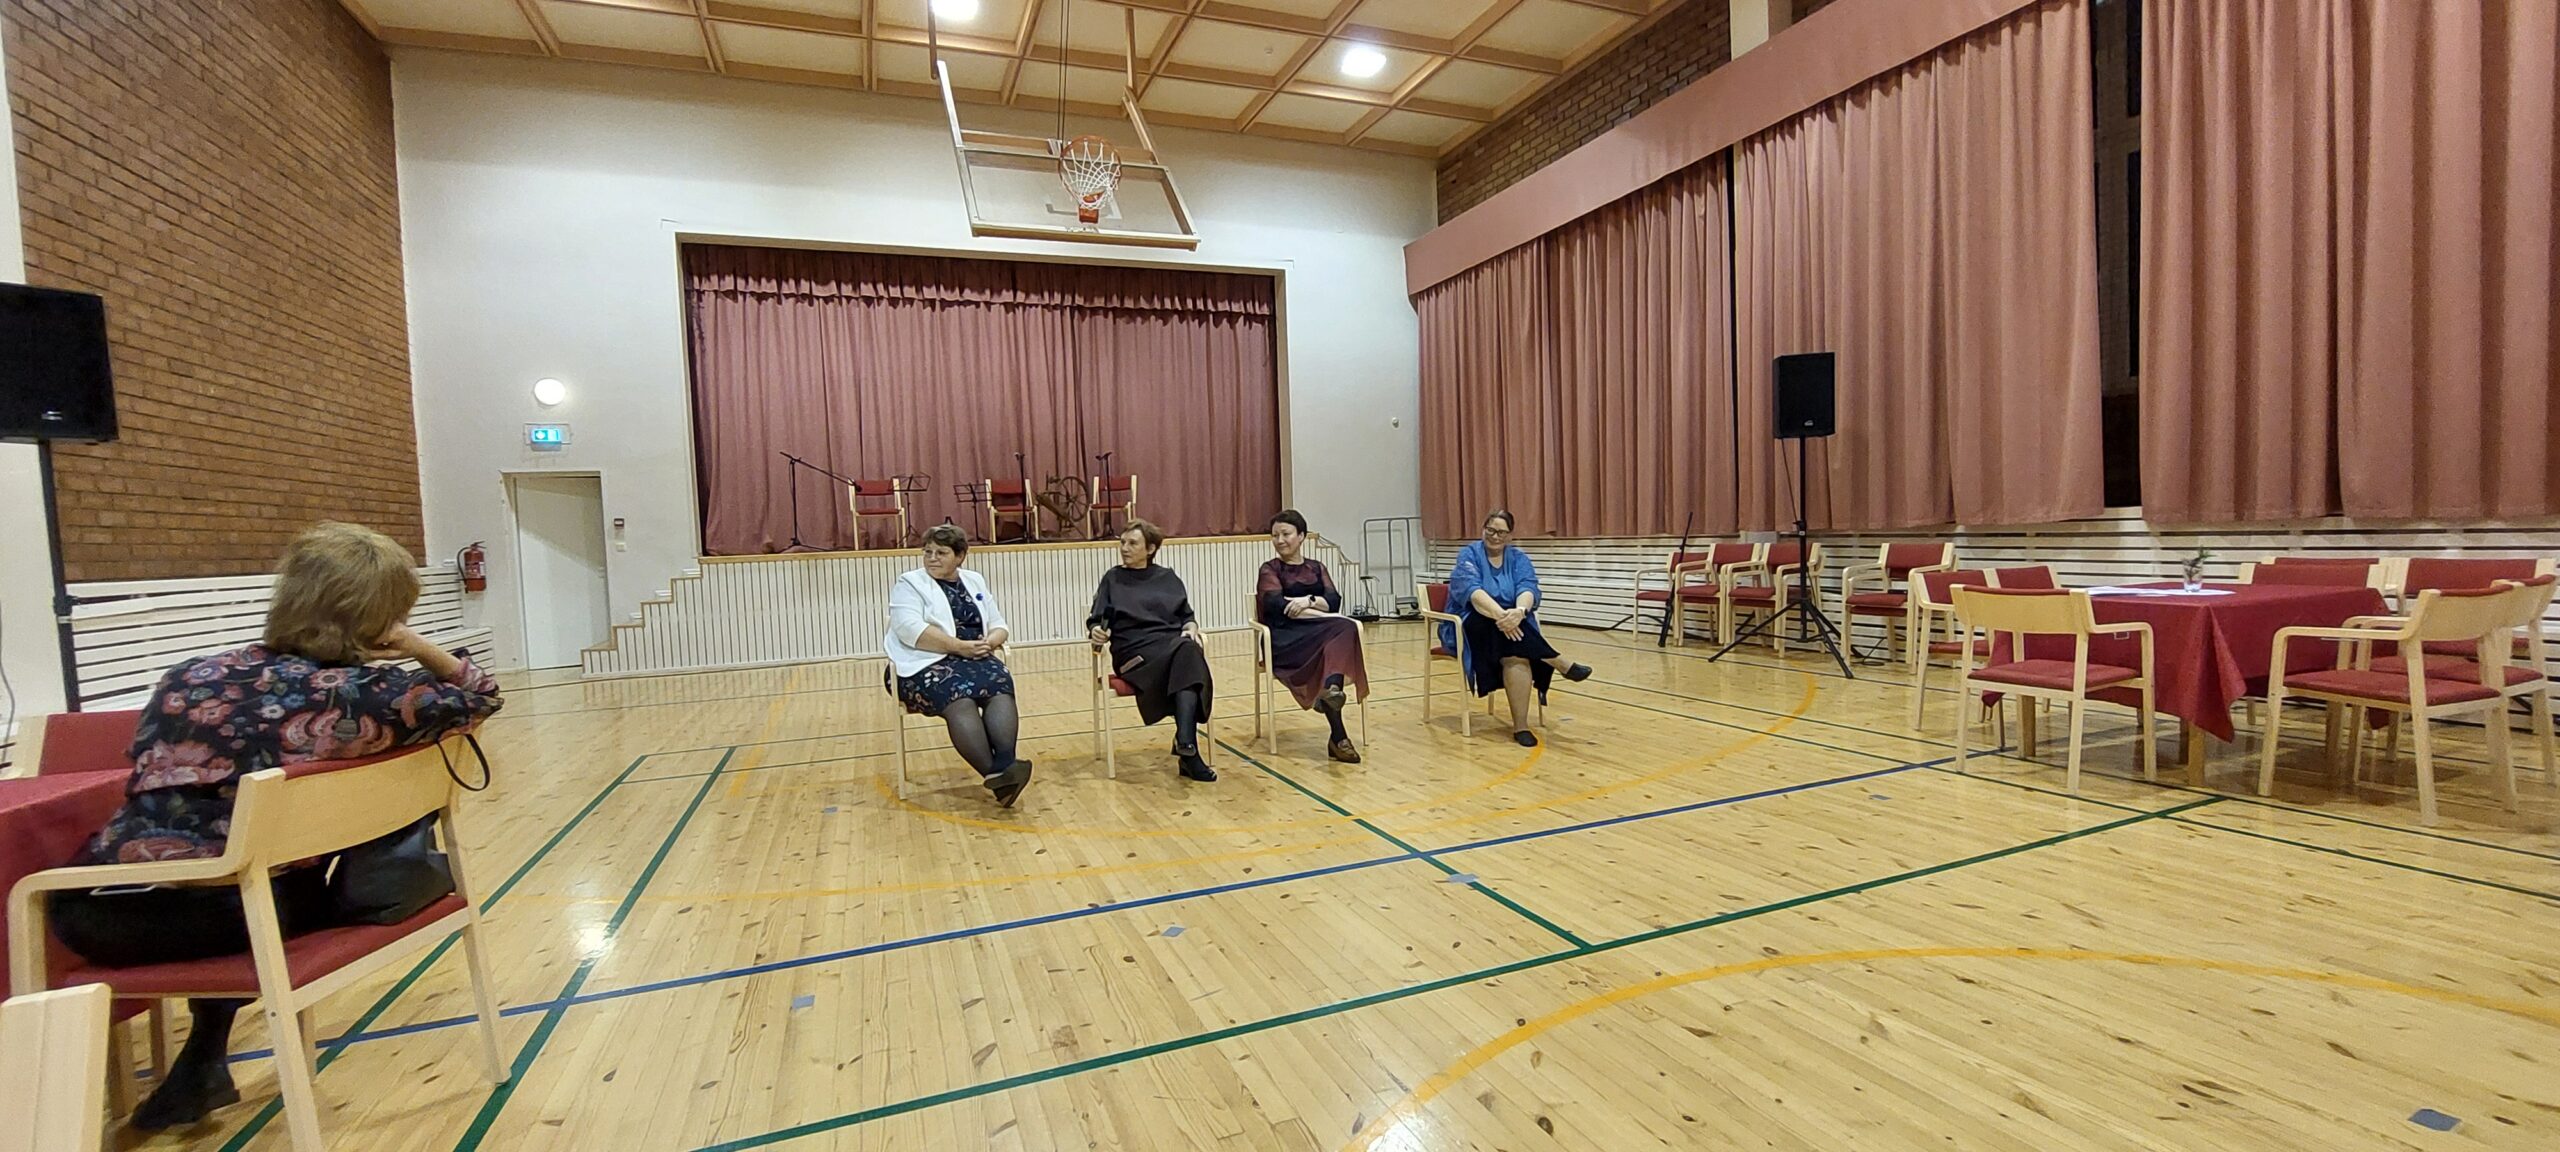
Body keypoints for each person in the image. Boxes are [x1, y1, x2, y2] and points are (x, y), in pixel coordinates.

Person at [47, 522, 503, 1132]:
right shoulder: (373, 697)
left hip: (105, 916)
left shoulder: (187, 678)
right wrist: (415, 644)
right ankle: (202, 1059)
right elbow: (481, 694)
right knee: (255, 879)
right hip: (266, 910)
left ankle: (168, 1068)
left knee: (201, 869)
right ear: (380, 618)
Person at [885, 524, 1032, 806]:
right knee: (960, 698)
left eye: (941, 553)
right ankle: (1001, 776)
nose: (932, 558)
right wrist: (958, 646)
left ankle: (1004, 769)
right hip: (921, 664)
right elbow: (909, 629)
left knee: (1000, 684)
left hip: (973, 657)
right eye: (927, 552)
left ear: (960, 556)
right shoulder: (909, 583)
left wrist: (990, 641)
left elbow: (999, 625)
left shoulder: (974, 580)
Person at [1441, 507, 1591, 746]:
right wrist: (1503, 617)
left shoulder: (1519, 559)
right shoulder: (1468, 555)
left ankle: (1521, 727)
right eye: (1490, 530)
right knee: (1490, 623)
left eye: (1501, 532)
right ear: (1483, 529)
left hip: (1510, 629)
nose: (1495, 536)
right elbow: (1473, 593)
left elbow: (1528, 588)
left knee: (1516, 655)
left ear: (1510, 535)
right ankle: (1556, 660)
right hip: (1470, 625)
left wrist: (1519, 612)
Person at [1088, 519, 1217, 781]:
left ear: (1150, 549)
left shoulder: (1168, 578)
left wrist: (1191, 628)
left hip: (1170, 648)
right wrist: (1096, 631)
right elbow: (1096, 620)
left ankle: (1187, 744)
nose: (1124, 548)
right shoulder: (1113, 579)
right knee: (1188, 656)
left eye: (1132, 543)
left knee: (1187, 648)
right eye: (1122, 542)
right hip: (1133, 653)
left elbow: (1187, 617)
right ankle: (1187, 747)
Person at [1258, 510, 1368, 763]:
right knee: (1342, 627)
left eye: (1285, 534)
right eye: (1275, 535)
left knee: (1345, 628)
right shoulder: (1269, 569)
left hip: (1317, 633)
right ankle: (1336, 726)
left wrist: (1306, 601)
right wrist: (1317, 608)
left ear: (1301, 536)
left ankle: (1334, 712)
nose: (1279, 540)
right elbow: (1277, 605)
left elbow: (1334, 601)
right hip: (1285, 640)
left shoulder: (1316, 567)